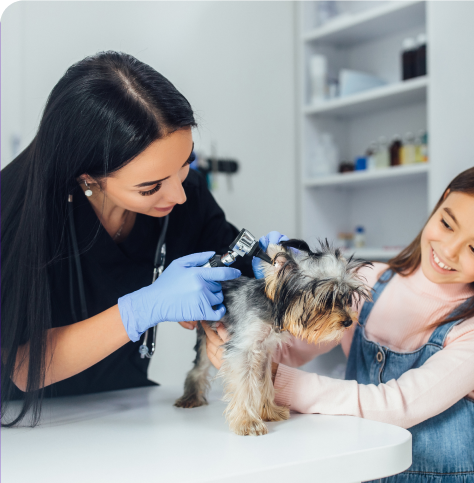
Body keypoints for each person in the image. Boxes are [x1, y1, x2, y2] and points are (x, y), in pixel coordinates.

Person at [204, 159, 474, 483]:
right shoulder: (366, 281)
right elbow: (291, 345)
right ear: (443, 198)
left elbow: (396, 405)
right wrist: (243, 336)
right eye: (447, 223)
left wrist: (271, 376)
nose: (448, 251)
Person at [0, 51, 278, 427]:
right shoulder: (13, 212)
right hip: (30, 424)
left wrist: (278, 272)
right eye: (151, 187)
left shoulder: (187, 196)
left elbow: (237, 269)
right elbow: (18, 365)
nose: (178, 196)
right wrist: (141, 309)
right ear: (88, 178)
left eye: (185, 165)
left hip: (130, 409)